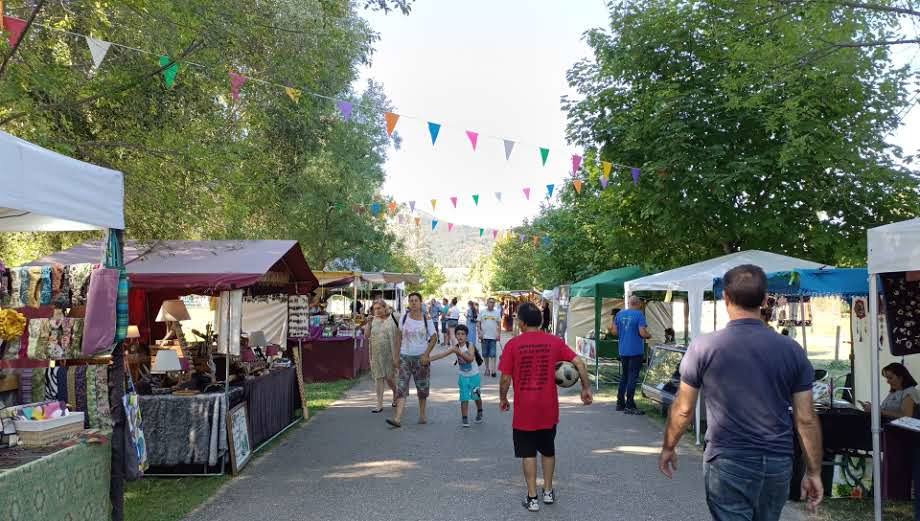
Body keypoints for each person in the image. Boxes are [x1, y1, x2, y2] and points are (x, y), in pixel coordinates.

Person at [659, 264, 823, 521]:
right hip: (777, 461)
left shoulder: (704, 347)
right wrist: (813, 472)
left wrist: (669, 446)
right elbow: (806, 418)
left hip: (728, 459)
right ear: (765, 300)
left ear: (725, 298)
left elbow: (683, 408)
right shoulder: (792, 350)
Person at [499, 302, 593, 512]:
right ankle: (548, 492)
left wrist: (503, 398)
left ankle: (532, 498)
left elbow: (505, 378)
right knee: (548, 451)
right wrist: (586, 388)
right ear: (540, 321)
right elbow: (580, 363)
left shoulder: (513, 345)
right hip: (548, 408)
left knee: (528, 453)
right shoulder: (554, 342)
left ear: (521, 323)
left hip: (525, 410)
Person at [387, 292, 438, 428]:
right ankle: (397, 418)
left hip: (421, 358)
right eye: (411, 301)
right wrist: (396, 357)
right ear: (408, 303)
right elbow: (398, 338)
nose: (413, 303)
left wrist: (426, 354)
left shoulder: (426, 319)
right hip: (405, 357)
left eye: (416, 300)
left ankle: (422, 414)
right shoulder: (404, 318)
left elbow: (434, 338)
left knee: (422, 387)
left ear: (421, 303)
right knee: (401, 387)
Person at [429, 324, 484, 427]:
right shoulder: (455, 347)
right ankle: (465, 418)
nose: (460, 336)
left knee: (476, 396)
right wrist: (428, 359)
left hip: (474, 375)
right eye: (458, 334)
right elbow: (442, 355)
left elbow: (471, 358)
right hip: (463, 376)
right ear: (455, 336)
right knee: (464, 397)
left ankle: (480, 410)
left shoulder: (470, 345)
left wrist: (459, 352)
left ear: (466, 336)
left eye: (463, 334)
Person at [609, 296, 651, 414]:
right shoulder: (639, 315)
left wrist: (624, 333)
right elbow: (642, 333)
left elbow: (614, 332)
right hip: (636, 351)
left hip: (623, 350)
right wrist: (649, 335)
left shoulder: (619, 314)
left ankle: (620, 403)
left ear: (629, 303)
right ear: (639, 304)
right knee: (633, 377)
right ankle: (630, 404)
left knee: (625, 376)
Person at [365, 300, 398, 412]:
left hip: (391, 353)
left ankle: (395, 392)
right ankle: (379, 404)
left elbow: (402, 332)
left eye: (379, 308)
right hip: (376, 354)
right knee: (378, 378)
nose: (377, 311)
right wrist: (368, 324)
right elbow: (366, 335)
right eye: (375, 309)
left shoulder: (394, 317)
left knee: (390, 378)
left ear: (385, 308)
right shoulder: (372, 320)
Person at [479, 297, 502, 377]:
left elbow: (499, 324)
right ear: (487, 303)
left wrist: (498, 334)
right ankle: (487, 368)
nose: (491, 304)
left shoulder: (497, 313)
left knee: (493, 354)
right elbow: (478, 323)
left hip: (493, 337)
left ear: (494, 304)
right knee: (485, 354)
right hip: (484, 336)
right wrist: (479, 332)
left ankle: (493, 370)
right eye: (490, 302)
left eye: (493, 302)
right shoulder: (482, 312)